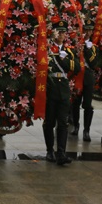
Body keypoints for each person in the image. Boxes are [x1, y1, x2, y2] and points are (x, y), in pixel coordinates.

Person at [44, 23, 77, 166]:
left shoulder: (69, 51)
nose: (62, 35)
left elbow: (77, 67)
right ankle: (50, 150)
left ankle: (61, 153)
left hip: (63, 89)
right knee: (49, 122)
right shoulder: (48, 49)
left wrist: (65, 60)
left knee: (63, 123)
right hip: (51, 88)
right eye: (59, 32)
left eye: (64, 33)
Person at [70, 24, 99, 142]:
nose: (87, 32)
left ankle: (86, 130)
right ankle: (75, 125)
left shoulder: (93, 47)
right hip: (77, 76)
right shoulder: (75, 44)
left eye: (89, 30)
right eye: (85, 30)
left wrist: (86, 49)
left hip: (88, 76)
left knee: (87, 104)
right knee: (75, 103)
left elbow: (93, 63)